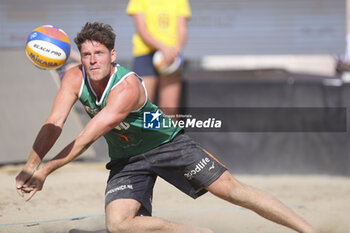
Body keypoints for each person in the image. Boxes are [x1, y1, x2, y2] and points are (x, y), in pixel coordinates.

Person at [16, 22, 317, 233]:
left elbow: (85, 138)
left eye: (99, 54)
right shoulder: (74, 78)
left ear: (113, 56)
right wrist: (32, 165)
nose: (93, 60)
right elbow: (54, 123)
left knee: (231, 190)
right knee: (118, 224)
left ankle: (308, 230)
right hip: (127, 159)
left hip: (167, 145)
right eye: (86, 55)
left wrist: (45, 170)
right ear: (79, 58)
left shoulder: (127, 86)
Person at [126, 0, 191, 117]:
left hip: (172, 57)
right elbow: (142, 29)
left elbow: (182, 28)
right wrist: (163, 48)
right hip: (145, 54)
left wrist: (176, 49)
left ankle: (170, 135)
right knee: (145, 107)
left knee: (170, 109)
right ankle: (149, 134)